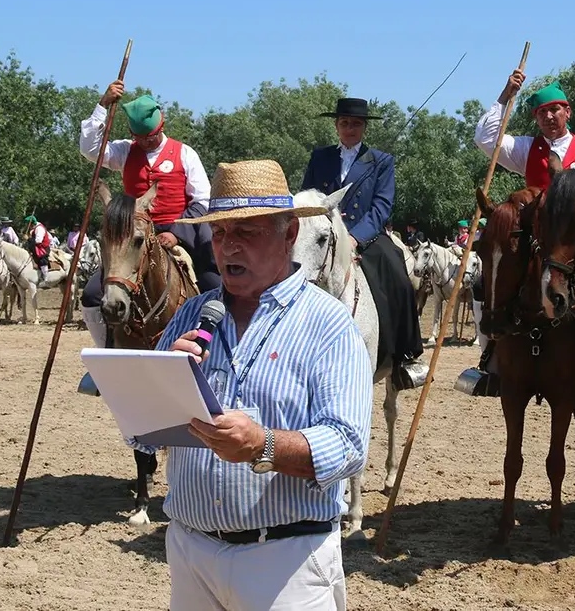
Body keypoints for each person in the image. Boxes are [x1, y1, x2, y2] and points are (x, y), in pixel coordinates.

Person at [132, 159, 371, 610]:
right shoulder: (190, 314)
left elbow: (349, 446)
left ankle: (406, 356)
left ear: (289, 235)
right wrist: (158, 382)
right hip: (190, 552)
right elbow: (144, 432)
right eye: (220, 234)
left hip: (287, 560)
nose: (228, 247)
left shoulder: (330, 324)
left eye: (248, 231)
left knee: (393, 269)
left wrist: (264, 446)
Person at [473, 73, 575, 365]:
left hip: (570, 245)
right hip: (533, 242)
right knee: (484, 284)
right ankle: (491, 356)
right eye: (541, 112)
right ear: (536, 118)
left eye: (554, 110)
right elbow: (486, 139)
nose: (548, 117)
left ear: (567, 112)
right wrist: (506, 94)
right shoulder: (527, 148)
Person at [78, 82, 220, 354]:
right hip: (133, 235)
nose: (147, 142)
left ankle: (215, 352)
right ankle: (108, 354)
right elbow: (90, 151)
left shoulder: (185, 153)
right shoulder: (124, 151)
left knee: (215, 285)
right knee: (93, 295)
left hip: (179, 232)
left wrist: (177, 233)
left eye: (152, 136)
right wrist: (102, 105)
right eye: (141, 138)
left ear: (161, 124)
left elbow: (203, 200)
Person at [301, 97, 426, 385]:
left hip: (364, 236)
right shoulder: (320, 157)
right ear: (336, 126)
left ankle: (405, 356)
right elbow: (308, 195)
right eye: (344, 123)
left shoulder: (381, 161)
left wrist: (355, 239)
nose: (349, 128)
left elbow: (382, 205)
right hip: (324, 231)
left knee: (397, 272)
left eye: (355, 123)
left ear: (364, 128)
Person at [24, 215, 52, 286]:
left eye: (28, 224)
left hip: (42, 248)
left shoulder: (39, 228)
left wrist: (28, 239)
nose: (27, 225)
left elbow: (38, 241)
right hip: (36, 247)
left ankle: (45, 279)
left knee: (42, 259)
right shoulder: (34, 228)